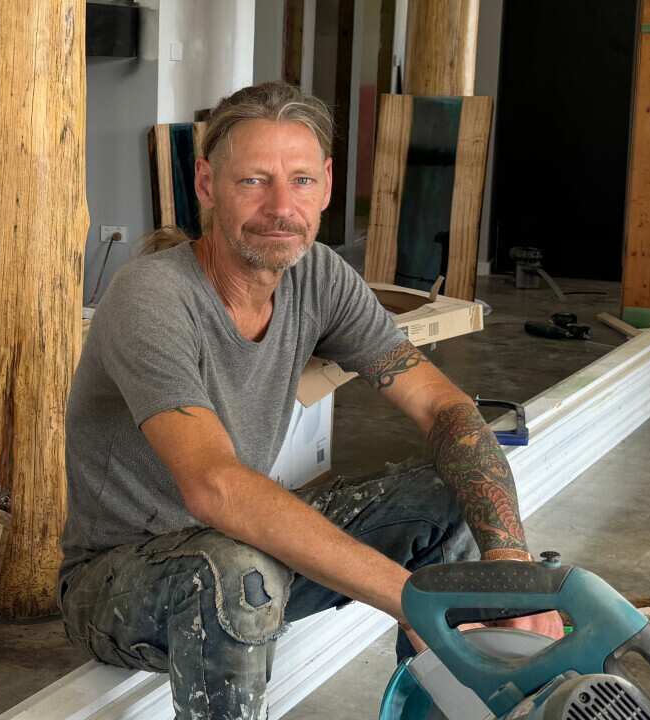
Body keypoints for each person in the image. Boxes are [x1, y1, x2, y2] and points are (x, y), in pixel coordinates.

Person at [59, 81, 562, 720]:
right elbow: (214, 486)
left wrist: (511, 572)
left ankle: (450, 704)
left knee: (454, 492)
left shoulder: (317, 274)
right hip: (118, 582)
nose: (280, 208)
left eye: (300, 181)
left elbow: (444, 409)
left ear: (325, 185)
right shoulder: (152, 296)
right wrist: (411, 599)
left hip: (239, 549)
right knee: (233, 573)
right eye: (253, 182)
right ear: (207, 184)